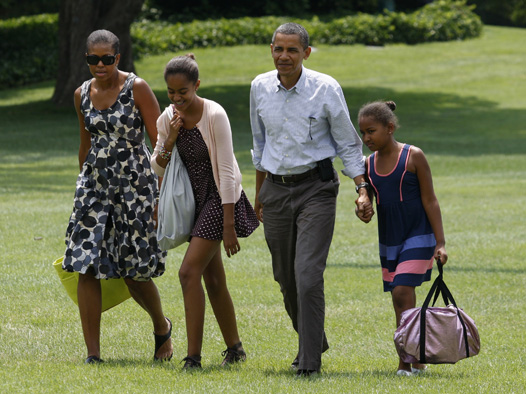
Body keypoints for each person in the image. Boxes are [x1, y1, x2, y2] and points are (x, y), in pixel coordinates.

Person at [250, 22, 373, 377]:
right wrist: (259, 194)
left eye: (292, 50)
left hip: (315, 190)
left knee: (307, 275)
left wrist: (361, 188)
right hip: (274, 190)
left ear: (306, 53)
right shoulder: (259, 87)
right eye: (278, 49)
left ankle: (309, 364)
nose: (283, 56)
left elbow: (348, 144)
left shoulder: (325, 88)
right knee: (285, 277)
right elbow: (260, 145)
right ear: (271, 50)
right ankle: (312, 339)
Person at [63, 29, 173, 364]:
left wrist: (159, 195)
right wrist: (82, 188)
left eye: (106, 59)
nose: (100, 65)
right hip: (94, 188)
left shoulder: (136, 88)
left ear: (118, 58)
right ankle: (93, 354)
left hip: (135, 188)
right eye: (92, 59)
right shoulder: (81, 93)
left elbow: (160, 142)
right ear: (86, 59)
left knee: (134, 271)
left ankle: (161, 328)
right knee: (86, 265)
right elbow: (85, 145)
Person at [151, 54, 259, 369]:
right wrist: (170, 138)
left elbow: (227, 172)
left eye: (182, 91)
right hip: (193, 202)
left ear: (197, 85)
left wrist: (228, 225)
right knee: (212, 278)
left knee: (187, 273)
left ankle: (193, 357)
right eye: (171, 92)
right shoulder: (168, 117)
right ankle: (235, 349)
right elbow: (156, 167)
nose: (176, 99)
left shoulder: (215, 114)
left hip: (220, 198)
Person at [357, 100, 448, 376]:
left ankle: (405, 361)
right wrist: (363, 207)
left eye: (371, 131)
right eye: (363, 133)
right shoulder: (368, 164)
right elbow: (367, 199)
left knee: (401, 292)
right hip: (390, 240)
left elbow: (430, 200)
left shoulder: (413, 156)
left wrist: (441, 242)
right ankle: (418, 359)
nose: (366, 138)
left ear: (390, 127)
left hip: (419, 235)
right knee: (402, 300)